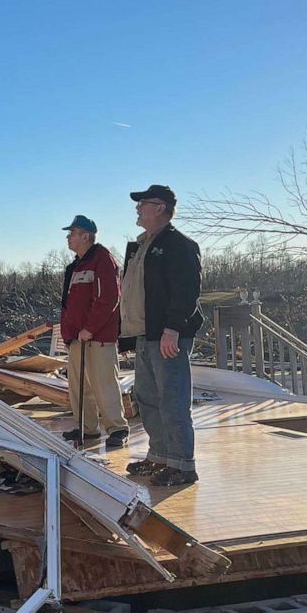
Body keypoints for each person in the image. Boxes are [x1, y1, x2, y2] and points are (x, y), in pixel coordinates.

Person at [118, 185, 205, 486]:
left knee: (172, 400)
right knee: (149, 399)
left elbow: (186, 289)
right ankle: (160, 457)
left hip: (168, 336)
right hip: (145, 334)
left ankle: (183, 464)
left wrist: (173, 328)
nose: (137, 208)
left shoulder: (178, 244)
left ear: (160, 208)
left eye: (143, 203)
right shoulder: (142, 245)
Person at [59, 215, 129, 449]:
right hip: (77, 337)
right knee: (79, 385)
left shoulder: (102, 259)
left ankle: (117, 428)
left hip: (97, 337)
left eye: (72, 233)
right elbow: (67, 303)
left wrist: (90, 327)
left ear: (86, 236)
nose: (68, 238)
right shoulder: (74, 266)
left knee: (104, 382)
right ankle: (86, 428)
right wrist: (69, 332)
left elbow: (108, 298)